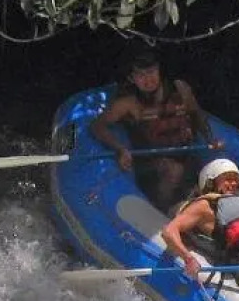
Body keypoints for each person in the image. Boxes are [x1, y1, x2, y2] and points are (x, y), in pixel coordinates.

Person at [89, 49, 217, 209]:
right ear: (132, 78)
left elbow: (196, 114)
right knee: (174, 171)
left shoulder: (180, 89)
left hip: (185, 155)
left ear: (159, 70)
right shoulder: (128, 103)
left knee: (211, 174)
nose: (148, 80)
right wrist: (120, 149)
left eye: (151, 72)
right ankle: (161, 210)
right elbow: (97, 126)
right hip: (150, 162)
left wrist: (211, 140)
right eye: (141, 75)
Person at [159, 159, 239, 300]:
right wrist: (188, 259)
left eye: (235, 180)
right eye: (227, 179)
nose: (233, 184)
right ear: (210, 182)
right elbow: (169, 231)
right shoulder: (204, 206)